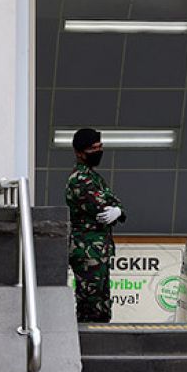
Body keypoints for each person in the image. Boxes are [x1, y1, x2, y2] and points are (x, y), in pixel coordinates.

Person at [66, 128, 126, 323]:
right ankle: (86, 346)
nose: (99, 151)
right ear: (79, 152)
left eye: (100, 146)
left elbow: (114, 201)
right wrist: (116, 209)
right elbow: (101, 208)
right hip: (86, 251)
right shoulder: (80, 180)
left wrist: (118, 210)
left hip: (98, 250)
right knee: (90, 303)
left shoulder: (95, 178)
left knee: (101, 301)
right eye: (93, 148)